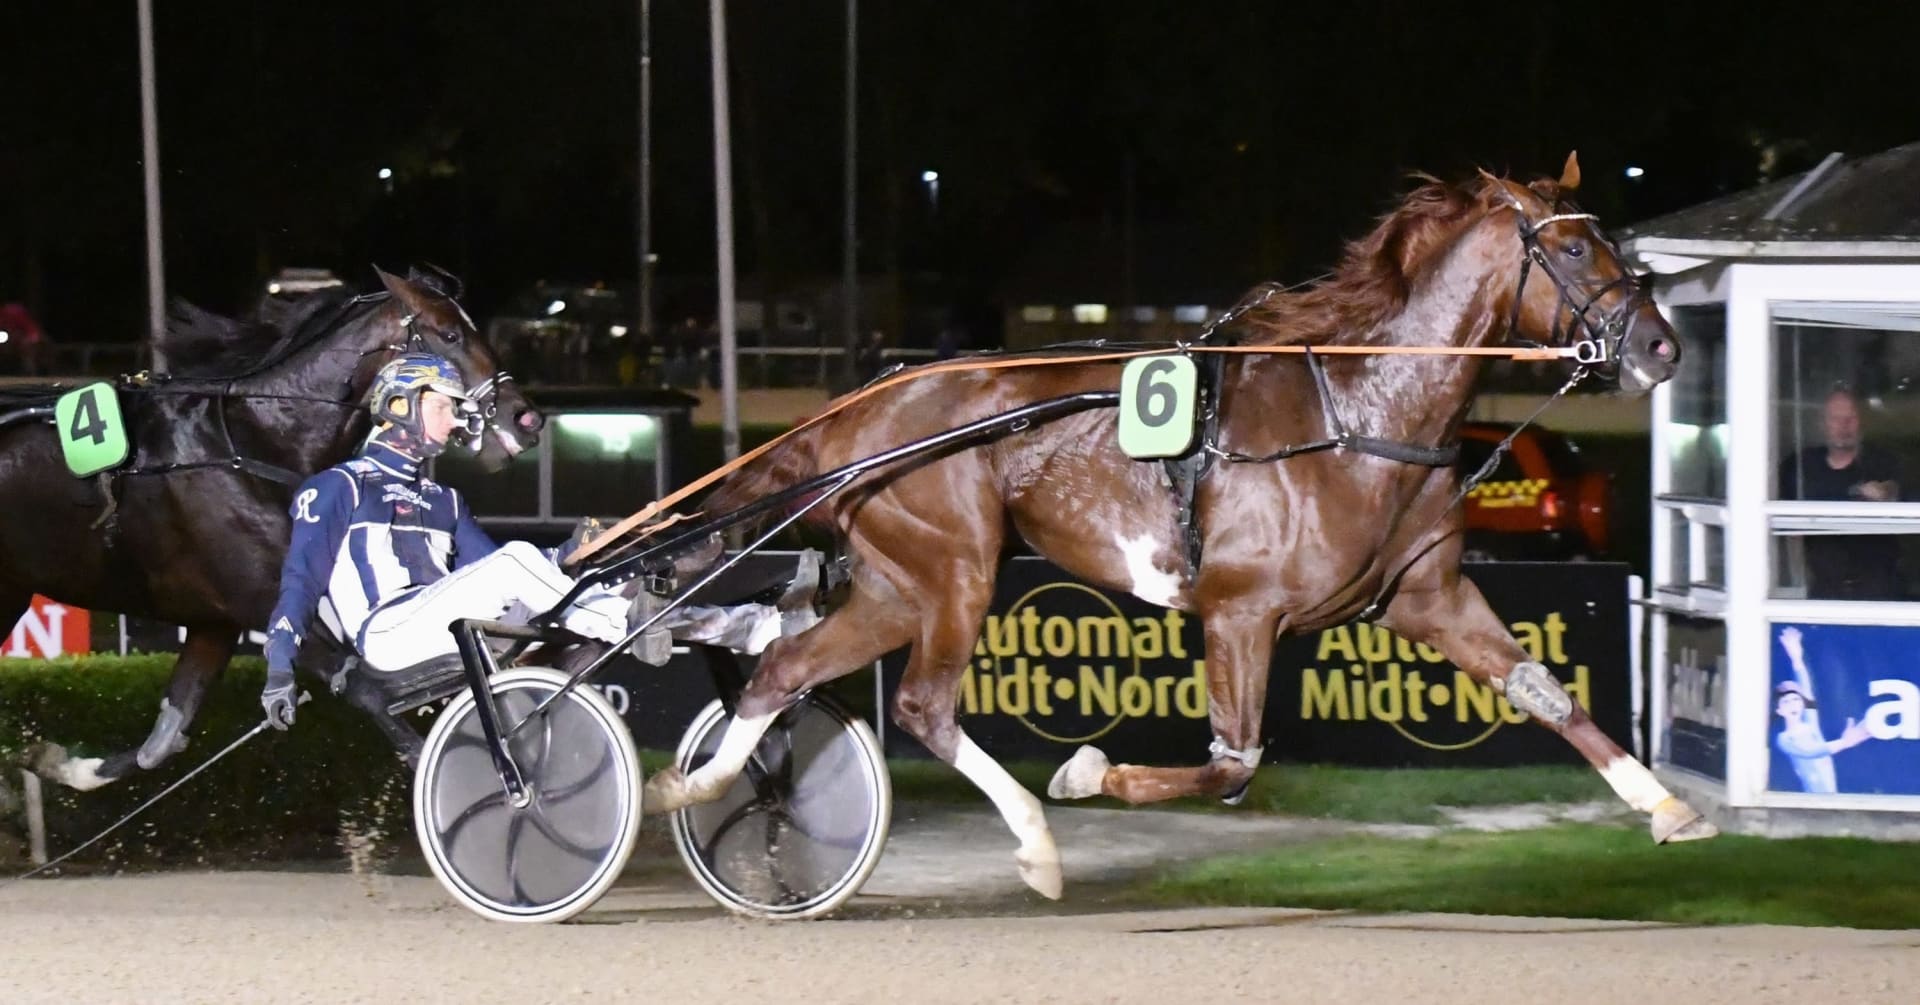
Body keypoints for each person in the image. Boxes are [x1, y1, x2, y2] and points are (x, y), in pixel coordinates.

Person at [260, 352, 800, 729]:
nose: (454, 423)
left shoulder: (444, 501)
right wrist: (280, 668)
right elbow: (301, 581)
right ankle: (624, 624)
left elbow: (494, 571)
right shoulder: (336, 487)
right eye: (445, 406)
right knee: (556, 580)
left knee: (598, 584)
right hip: (388, 636)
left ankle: (752, 627)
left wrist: (567, 555)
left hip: (451, 625)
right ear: (401, 405)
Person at [1776, 387, 1904, 599]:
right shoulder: (1801, 466)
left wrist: (1886, 493)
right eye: (1835, 419)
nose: (1844, 426)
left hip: (1881, 590)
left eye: (1850, 418)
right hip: (1825, 588)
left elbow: (1898, 490)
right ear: (1822, 424)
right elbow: (1779, 517)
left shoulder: (1881, 461)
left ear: (1862, 422)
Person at [1773, 626, 1873, 793]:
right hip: (1811, 799)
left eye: (1796, 700)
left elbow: (1807, 690)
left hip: (1830, 795)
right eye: (1787, 702)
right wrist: (1844, 742)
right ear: (1779, 710)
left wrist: (1797, 660)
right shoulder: (1784, 739)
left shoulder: (1809, 723)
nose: (1793, 705)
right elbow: (1809, 752)